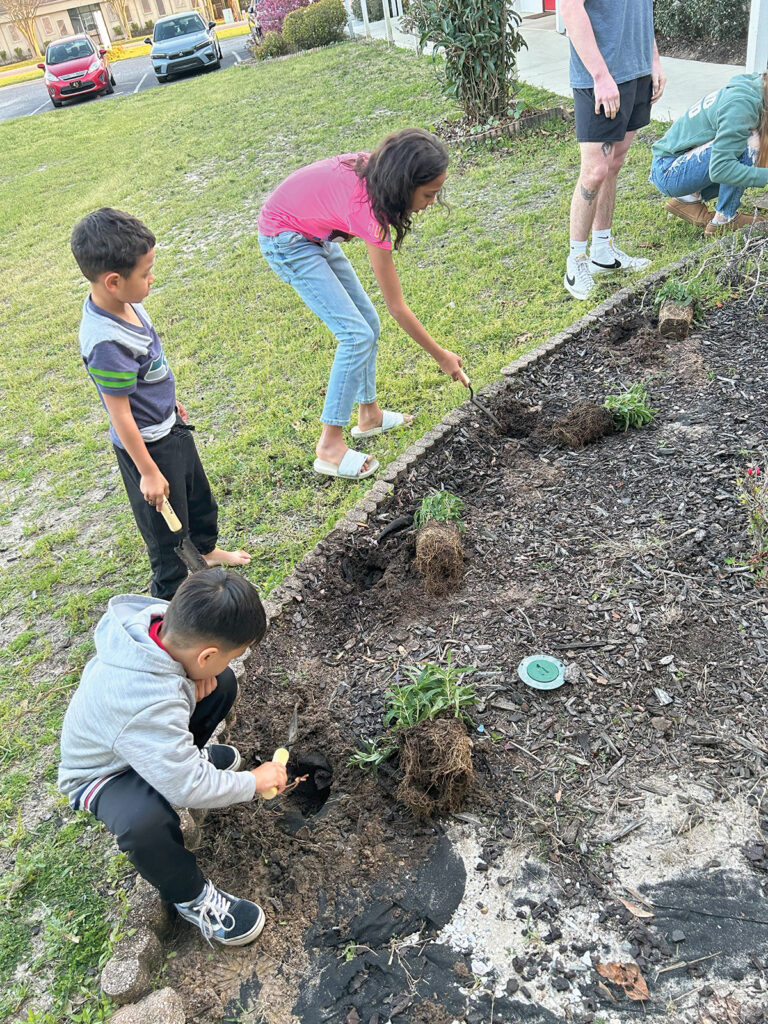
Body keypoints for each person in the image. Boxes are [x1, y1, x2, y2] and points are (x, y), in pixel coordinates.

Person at [58, 569, 288, 946]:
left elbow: (179, 685)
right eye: (230, 654)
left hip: (140, 737)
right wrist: (254, 782)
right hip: (103, 774)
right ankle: (192, 898)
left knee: (220, 683)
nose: (228, 660)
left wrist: (186, 672)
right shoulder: (148, 703)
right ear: (207, 653)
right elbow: (187, 790)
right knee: (143, 821)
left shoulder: (158, 629)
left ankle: (179, 757)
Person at [257, 128, 466, 481]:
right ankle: (329, 447)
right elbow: (397, 306)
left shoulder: (378, 174)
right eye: (429, 194)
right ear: (404, 185)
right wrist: (441, 356)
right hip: (285, 238)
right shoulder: (373, 214)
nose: (432, 202)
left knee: (368, 322)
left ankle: (369, 416)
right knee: (355, 335)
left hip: (312, 232)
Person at [71, 208, 251, 599]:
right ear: (114, 281)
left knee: (198, 497)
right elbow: (120, 414)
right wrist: (148, 471)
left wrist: (170, 403)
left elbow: (149, 372)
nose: (153, 278)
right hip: (147, 446)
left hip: (169, 426)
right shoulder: (105, 342)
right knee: (168, 529)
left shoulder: (126, 303)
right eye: (147, 272)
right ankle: (170, 598)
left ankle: (207, 550)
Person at [561, 0, 666, 301]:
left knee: (614, 163)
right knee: (594, 172)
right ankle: (576, 261)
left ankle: (602, 251)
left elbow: (641, 11)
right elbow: (570, 9)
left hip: (635, 71)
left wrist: (654, 61)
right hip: (600, 77)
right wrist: (600, 76)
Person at [650, 72, 768, 236]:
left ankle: (688, 199)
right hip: (669, 170)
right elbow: (721, 168)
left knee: (751, 139)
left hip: (682, 161)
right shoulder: (741, 106)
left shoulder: (758, 85)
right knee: (752, 142)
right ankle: (724, 219)